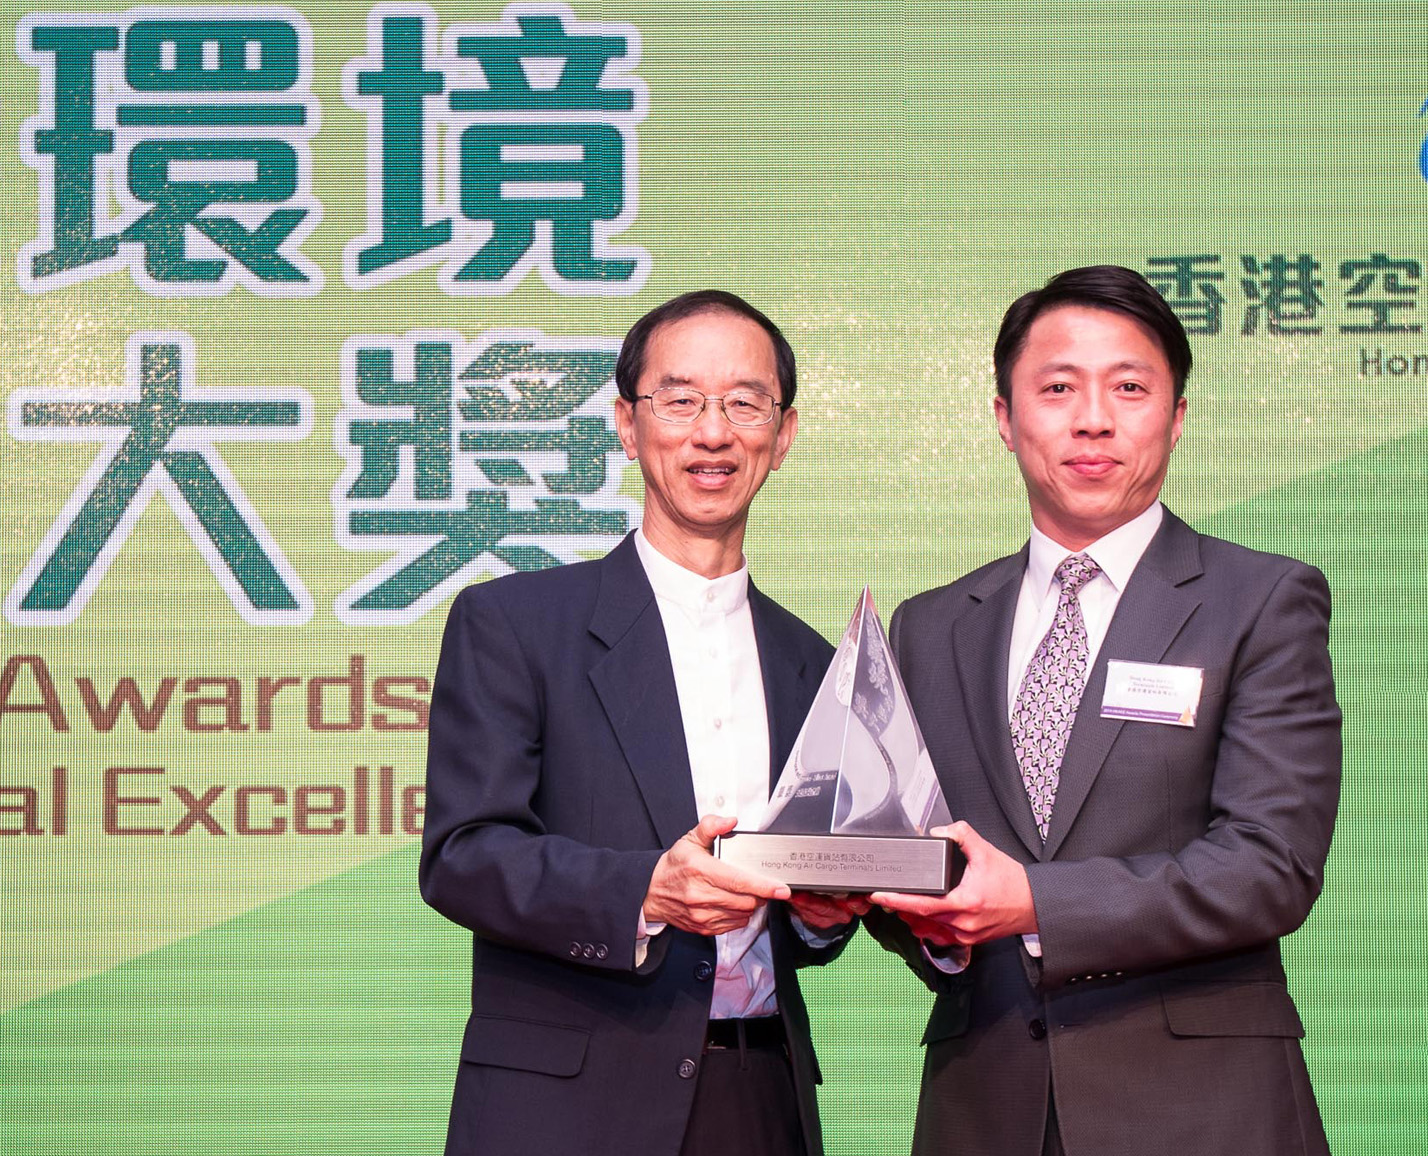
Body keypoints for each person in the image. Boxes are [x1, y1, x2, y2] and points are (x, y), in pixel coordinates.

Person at [869, 265, 1342, 1156]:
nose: (1093, 418)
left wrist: (1033, 902)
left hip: (1203, 1111)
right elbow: (929, 864)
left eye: (1129, 387)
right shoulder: (931, 627)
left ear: (1176, 415)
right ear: (1006, 419)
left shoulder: (1260, 601)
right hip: (986, 1108)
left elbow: (1270, 865)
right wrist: (916, 919)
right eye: (1057, 389)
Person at [419, 289, 860, 1156]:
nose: (713, 431)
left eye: (745, 402)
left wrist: (823, 912)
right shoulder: (514, 622)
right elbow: (462, 856)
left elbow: (805, 911)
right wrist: (645, 893)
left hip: (758, 1088)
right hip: (568, 1107)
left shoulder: (813, 660)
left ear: (784, 433)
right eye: (681, 399)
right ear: (627, 424)